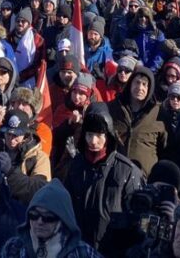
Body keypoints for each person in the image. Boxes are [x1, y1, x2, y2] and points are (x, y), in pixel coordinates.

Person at [62, 105, 143, 250]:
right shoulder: (75, 166)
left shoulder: (127, 171)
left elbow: (138, 221)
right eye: (89, 135)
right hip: (78, 248)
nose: (93, 141)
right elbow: (65, 208)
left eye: (99, 135)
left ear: (108, 136)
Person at [0, 179, 104, 258]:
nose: (39, 222)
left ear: (62, 221)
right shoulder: (13, 248)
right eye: (34, 215)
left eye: (48, 218)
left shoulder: (82, 253)